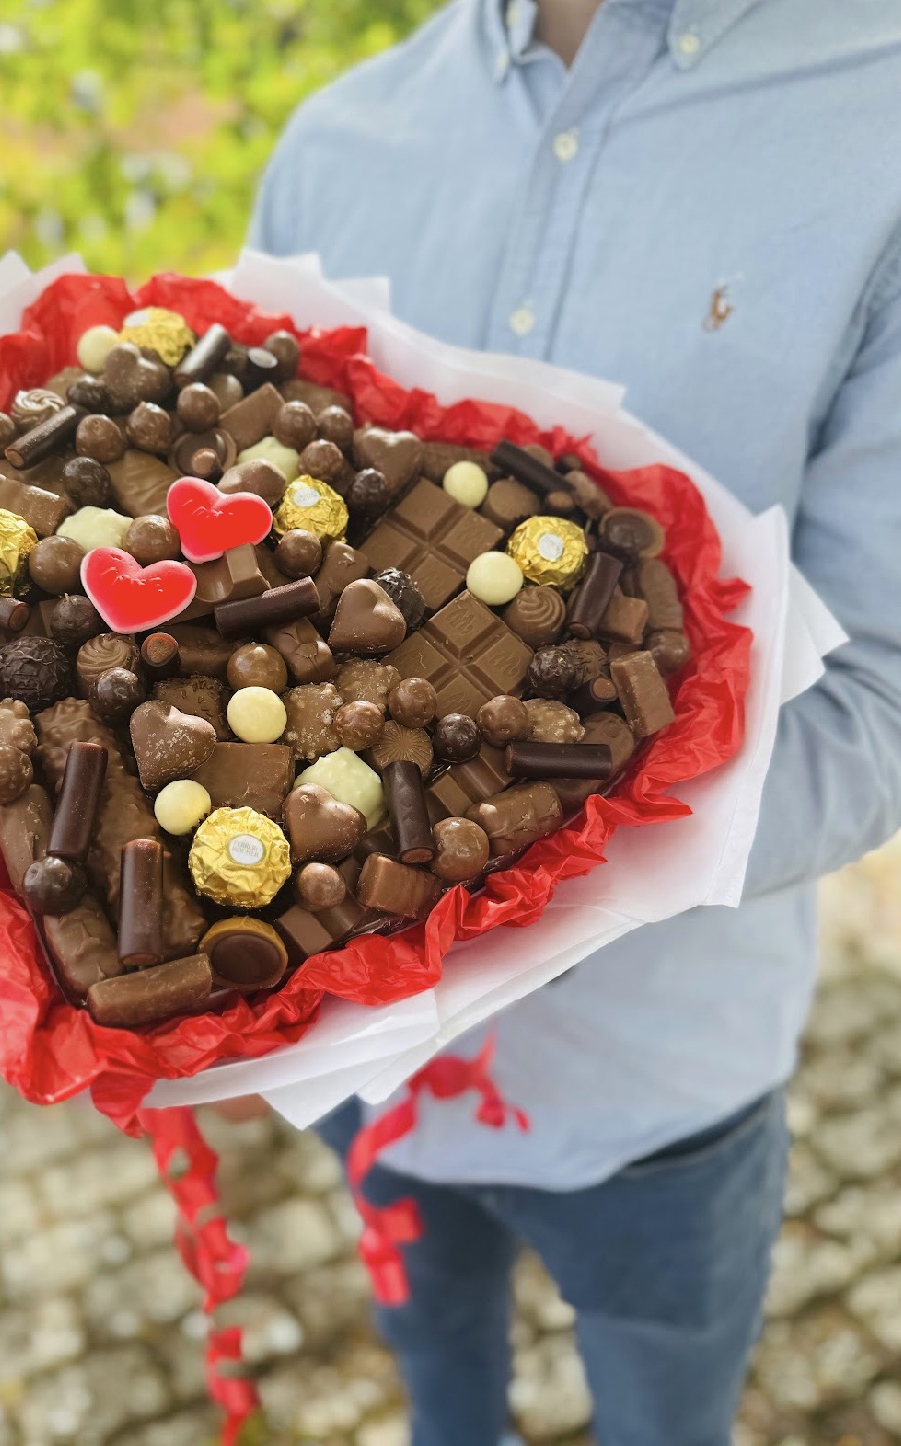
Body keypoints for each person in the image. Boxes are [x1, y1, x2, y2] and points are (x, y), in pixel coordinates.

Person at [244, 3, 901, 1443]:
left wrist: (525, 876)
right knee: (441, 1393)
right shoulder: (335, 145)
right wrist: (212, 994)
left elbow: (882, 697)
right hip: (365, 1076)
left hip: (664, 1087)